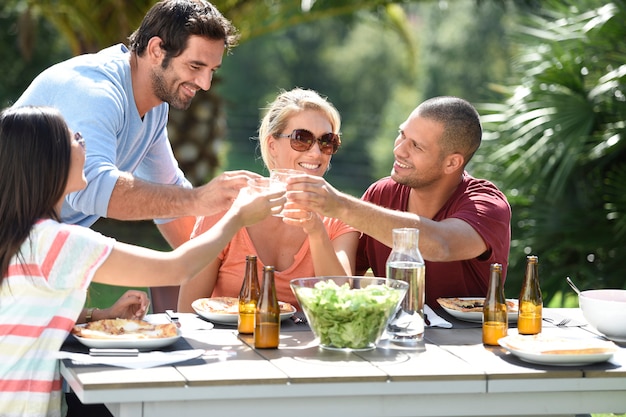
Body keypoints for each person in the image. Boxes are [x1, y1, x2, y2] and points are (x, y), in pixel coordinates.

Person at [0, 105, 284, 417]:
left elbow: (27, 310)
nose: (84, 144)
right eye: (75, 138)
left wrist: (99, 315)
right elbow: (177, 268)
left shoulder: (20, 236)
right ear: (47, 160)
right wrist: (237, 217)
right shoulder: (58, 242)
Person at [12, 0, 258, 312]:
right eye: (195, 67)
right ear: (156, 50)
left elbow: (170, 196)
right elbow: (94, 189)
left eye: (212, 70)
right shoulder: (95, 91)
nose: (205, 84)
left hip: (32, 259)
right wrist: (199, 199)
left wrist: (235, 275)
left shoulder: (154, 107)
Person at [286, 96, 512, 307]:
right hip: (394, 343)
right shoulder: (381, 194)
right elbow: (342, 280)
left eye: (416, 146)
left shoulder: (487, 205)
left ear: (452, 163)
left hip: (469, 345)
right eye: (402, 134)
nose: (399, 150)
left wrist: (341, 206)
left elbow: (441, 244)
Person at [177, 88, 359, 311]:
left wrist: (316, 231)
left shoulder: (340, 216)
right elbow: (186, 312)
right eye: (302, 139)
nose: (316, 153)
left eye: (326, 141)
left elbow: (341, 304)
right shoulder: (229, 206)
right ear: (272, 145)